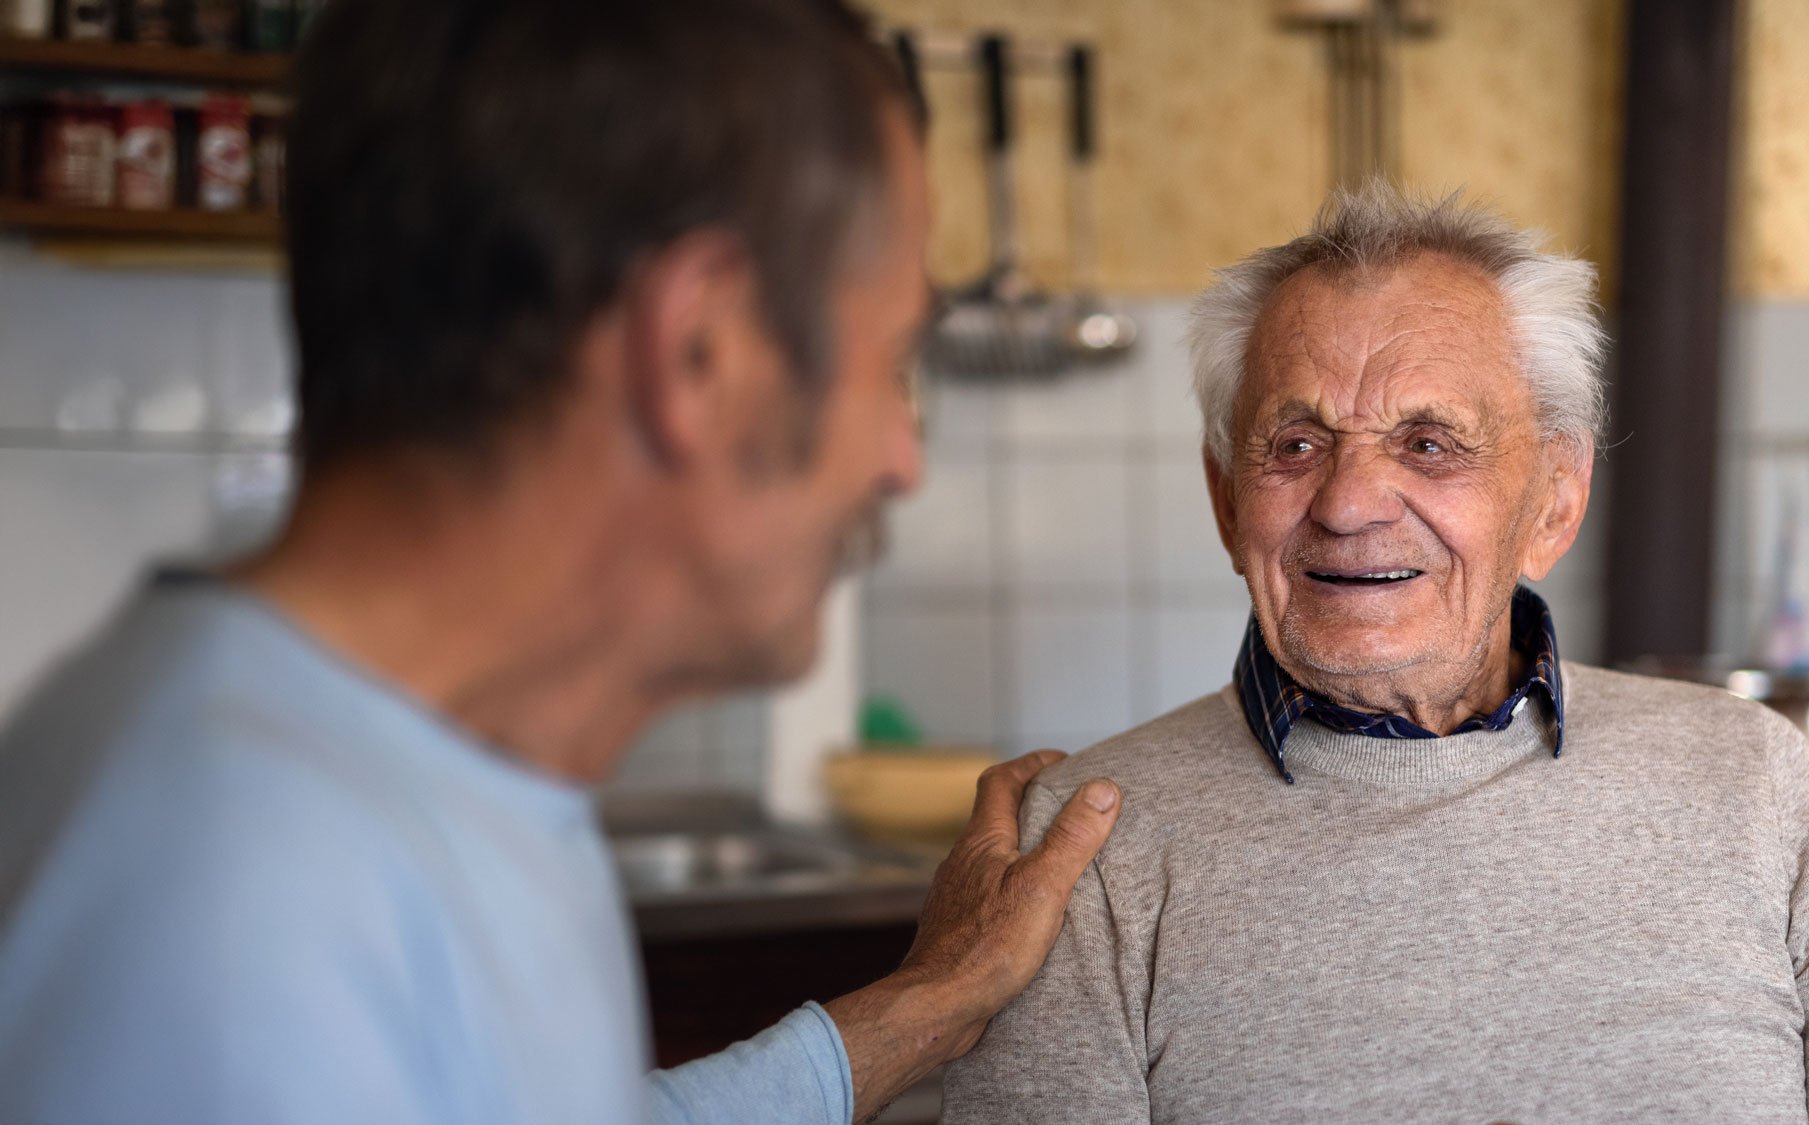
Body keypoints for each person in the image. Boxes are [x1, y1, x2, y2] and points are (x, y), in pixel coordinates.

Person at [0, 2, 1123, 1122]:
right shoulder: (240, 905)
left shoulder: (432, 774)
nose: (901, 461)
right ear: (697, 352)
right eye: (888, 362)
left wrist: (940, 1001)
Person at [941, 183, 1809, 1123]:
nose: (1346, 504)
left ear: (1552, 501)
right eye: (1293, 445)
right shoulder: (1087, 844)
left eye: (1428, 445)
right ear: (1223, 499)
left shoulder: (1749, 777)